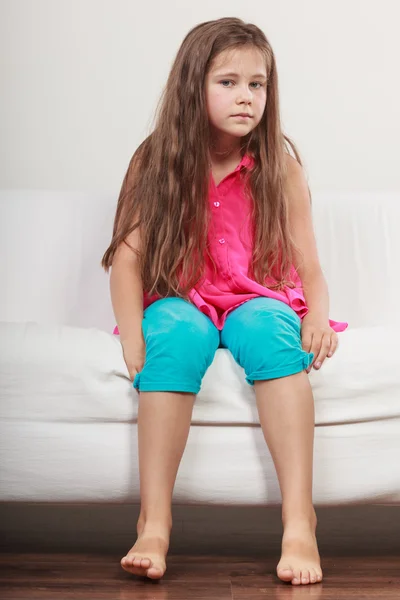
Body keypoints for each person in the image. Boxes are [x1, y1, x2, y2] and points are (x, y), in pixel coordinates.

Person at [101, 17, 348, 585]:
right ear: (194, 86)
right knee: (175, 336)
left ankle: (298, 523)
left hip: (254, 294)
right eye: (228, 82)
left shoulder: (279, 165)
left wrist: (312, 313)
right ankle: (154, 522)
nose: (246, 97)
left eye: (257, 85)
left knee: (270, 331)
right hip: (181, 294)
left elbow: (308, 262)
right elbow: (128, 259)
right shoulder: (155, 160)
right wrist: (133, 336)